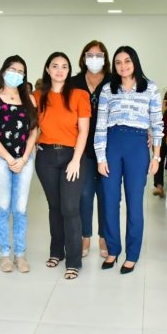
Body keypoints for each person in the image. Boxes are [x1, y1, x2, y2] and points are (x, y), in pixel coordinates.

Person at [95, 46, 162, 274]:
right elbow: (100, 125)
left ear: (135, 62)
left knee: (135, 204)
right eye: (118, 63)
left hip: (137, 146)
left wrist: (156, 156)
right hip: (112, 144)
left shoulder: (150, 88)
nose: (123, 66)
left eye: (127, 61)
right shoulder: (107, 90)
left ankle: (132, 254)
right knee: (110, 201)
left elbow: (157, 124)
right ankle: (113, 250)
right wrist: (100, 157)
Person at [0, 55, 38, 273]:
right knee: (3, 208)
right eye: (13, 69)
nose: (17, 74)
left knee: (20, 209)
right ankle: (4, 254)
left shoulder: (29, 99)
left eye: (21, 71)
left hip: (24, 160)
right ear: (4, 71)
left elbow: (34, 131)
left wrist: (23, 158)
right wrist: (9, 158)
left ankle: (20, 255)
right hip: (0, 160)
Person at [35, 52, 90, 280]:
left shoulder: (79, 95)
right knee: (54, 206)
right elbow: (33, 129)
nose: (59, 70)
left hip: (72, 157)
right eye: (55, 66)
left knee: (70, 208)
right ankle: (56, 251)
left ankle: (74, 260)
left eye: (64, 66)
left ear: (69, 70)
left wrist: (76, 159)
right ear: (48, 69)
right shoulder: (38, 96)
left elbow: (84, 130)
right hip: (45, 156)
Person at [71, 40, 110, 259]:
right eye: (90, 54)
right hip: (81, 146)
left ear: (105, 58)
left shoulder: (114, 81)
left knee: (106, 194)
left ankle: (104, 237)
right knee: (84, 194)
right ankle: (85, 236)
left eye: (99, 55)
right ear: (83, 57)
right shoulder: (74, 81)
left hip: (108, 147)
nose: (94, 59)